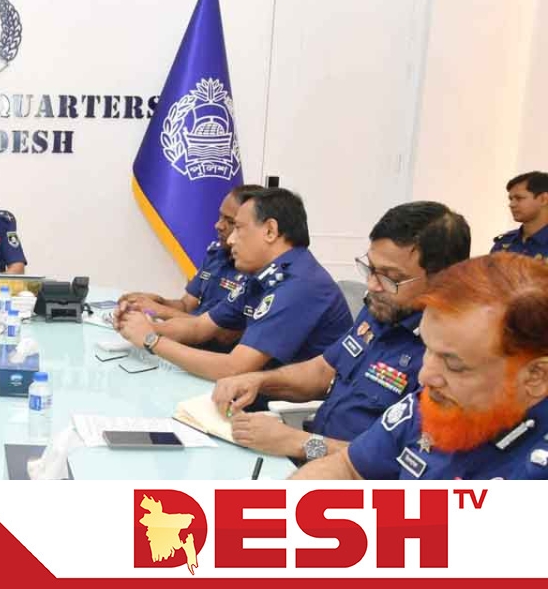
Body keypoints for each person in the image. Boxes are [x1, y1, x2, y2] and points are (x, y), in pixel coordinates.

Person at [212, 202, 471, 462]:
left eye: (391, 277)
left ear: (443, 279)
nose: (373, 285)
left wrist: (298, 443)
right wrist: (258, 381)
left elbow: (401, 466)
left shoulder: (448, 358)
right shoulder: (382, 309)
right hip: (311, 459)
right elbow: (323, 371)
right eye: (370, 269)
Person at [293, 253, 548, 480]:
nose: (425, 376)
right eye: (427, 348)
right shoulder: (432, 402)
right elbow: (348, 466)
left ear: (536, 377)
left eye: (454, 365)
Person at [116, 188, 352, 381]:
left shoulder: (300, 285)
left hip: (277, 409)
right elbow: (199, 327)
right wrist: (137, 325)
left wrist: (152, 340)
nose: (230, 239)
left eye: (238, 228)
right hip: (247, 392)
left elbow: (233, 368)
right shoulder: (262, 275)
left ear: (270, 231)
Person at [120, 184, 264, 322]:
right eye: (220, 217)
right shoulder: (216, 255)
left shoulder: (257, 272)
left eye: (231, 222)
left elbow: (220, 331)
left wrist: (158, 311)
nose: (218, 225)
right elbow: (186, 305)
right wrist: (156, 302)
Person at [491, 171, 548, 260]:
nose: (511, 204)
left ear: (543, 199)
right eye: (511, 199)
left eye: (519, 198)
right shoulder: (504, 242)